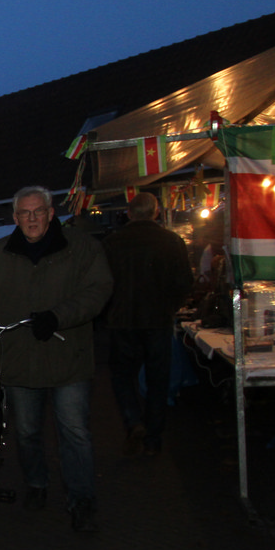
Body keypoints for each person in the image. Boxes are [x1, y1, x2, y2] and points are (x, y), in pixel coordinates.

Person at [0, 186, 113, 532]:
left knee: (74, 431)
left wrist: (59, 316)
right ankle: (37, 483)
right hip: (19, 360)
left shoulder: (82, 249)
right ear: (15, 218)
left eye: (38, 211)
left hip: (68, 358)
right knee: (27, 431)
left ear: (50, 213)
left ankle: (81, 498)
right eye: (25, 213)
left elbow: (99, 290)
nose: (32, 219)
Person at [102, 192, 193, 456]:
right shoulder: (172, 241)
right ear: (156, 212)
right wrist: (170, 306)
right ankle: (153, 438)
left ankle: (133, 420)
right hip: (158, 319)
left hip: (122, 320)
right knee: (158, 379)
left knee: (121, 376)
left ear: (129, 213)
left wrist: (109, 312)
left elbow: (101, 284)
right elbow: (184, 282)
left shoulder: (112, 243)